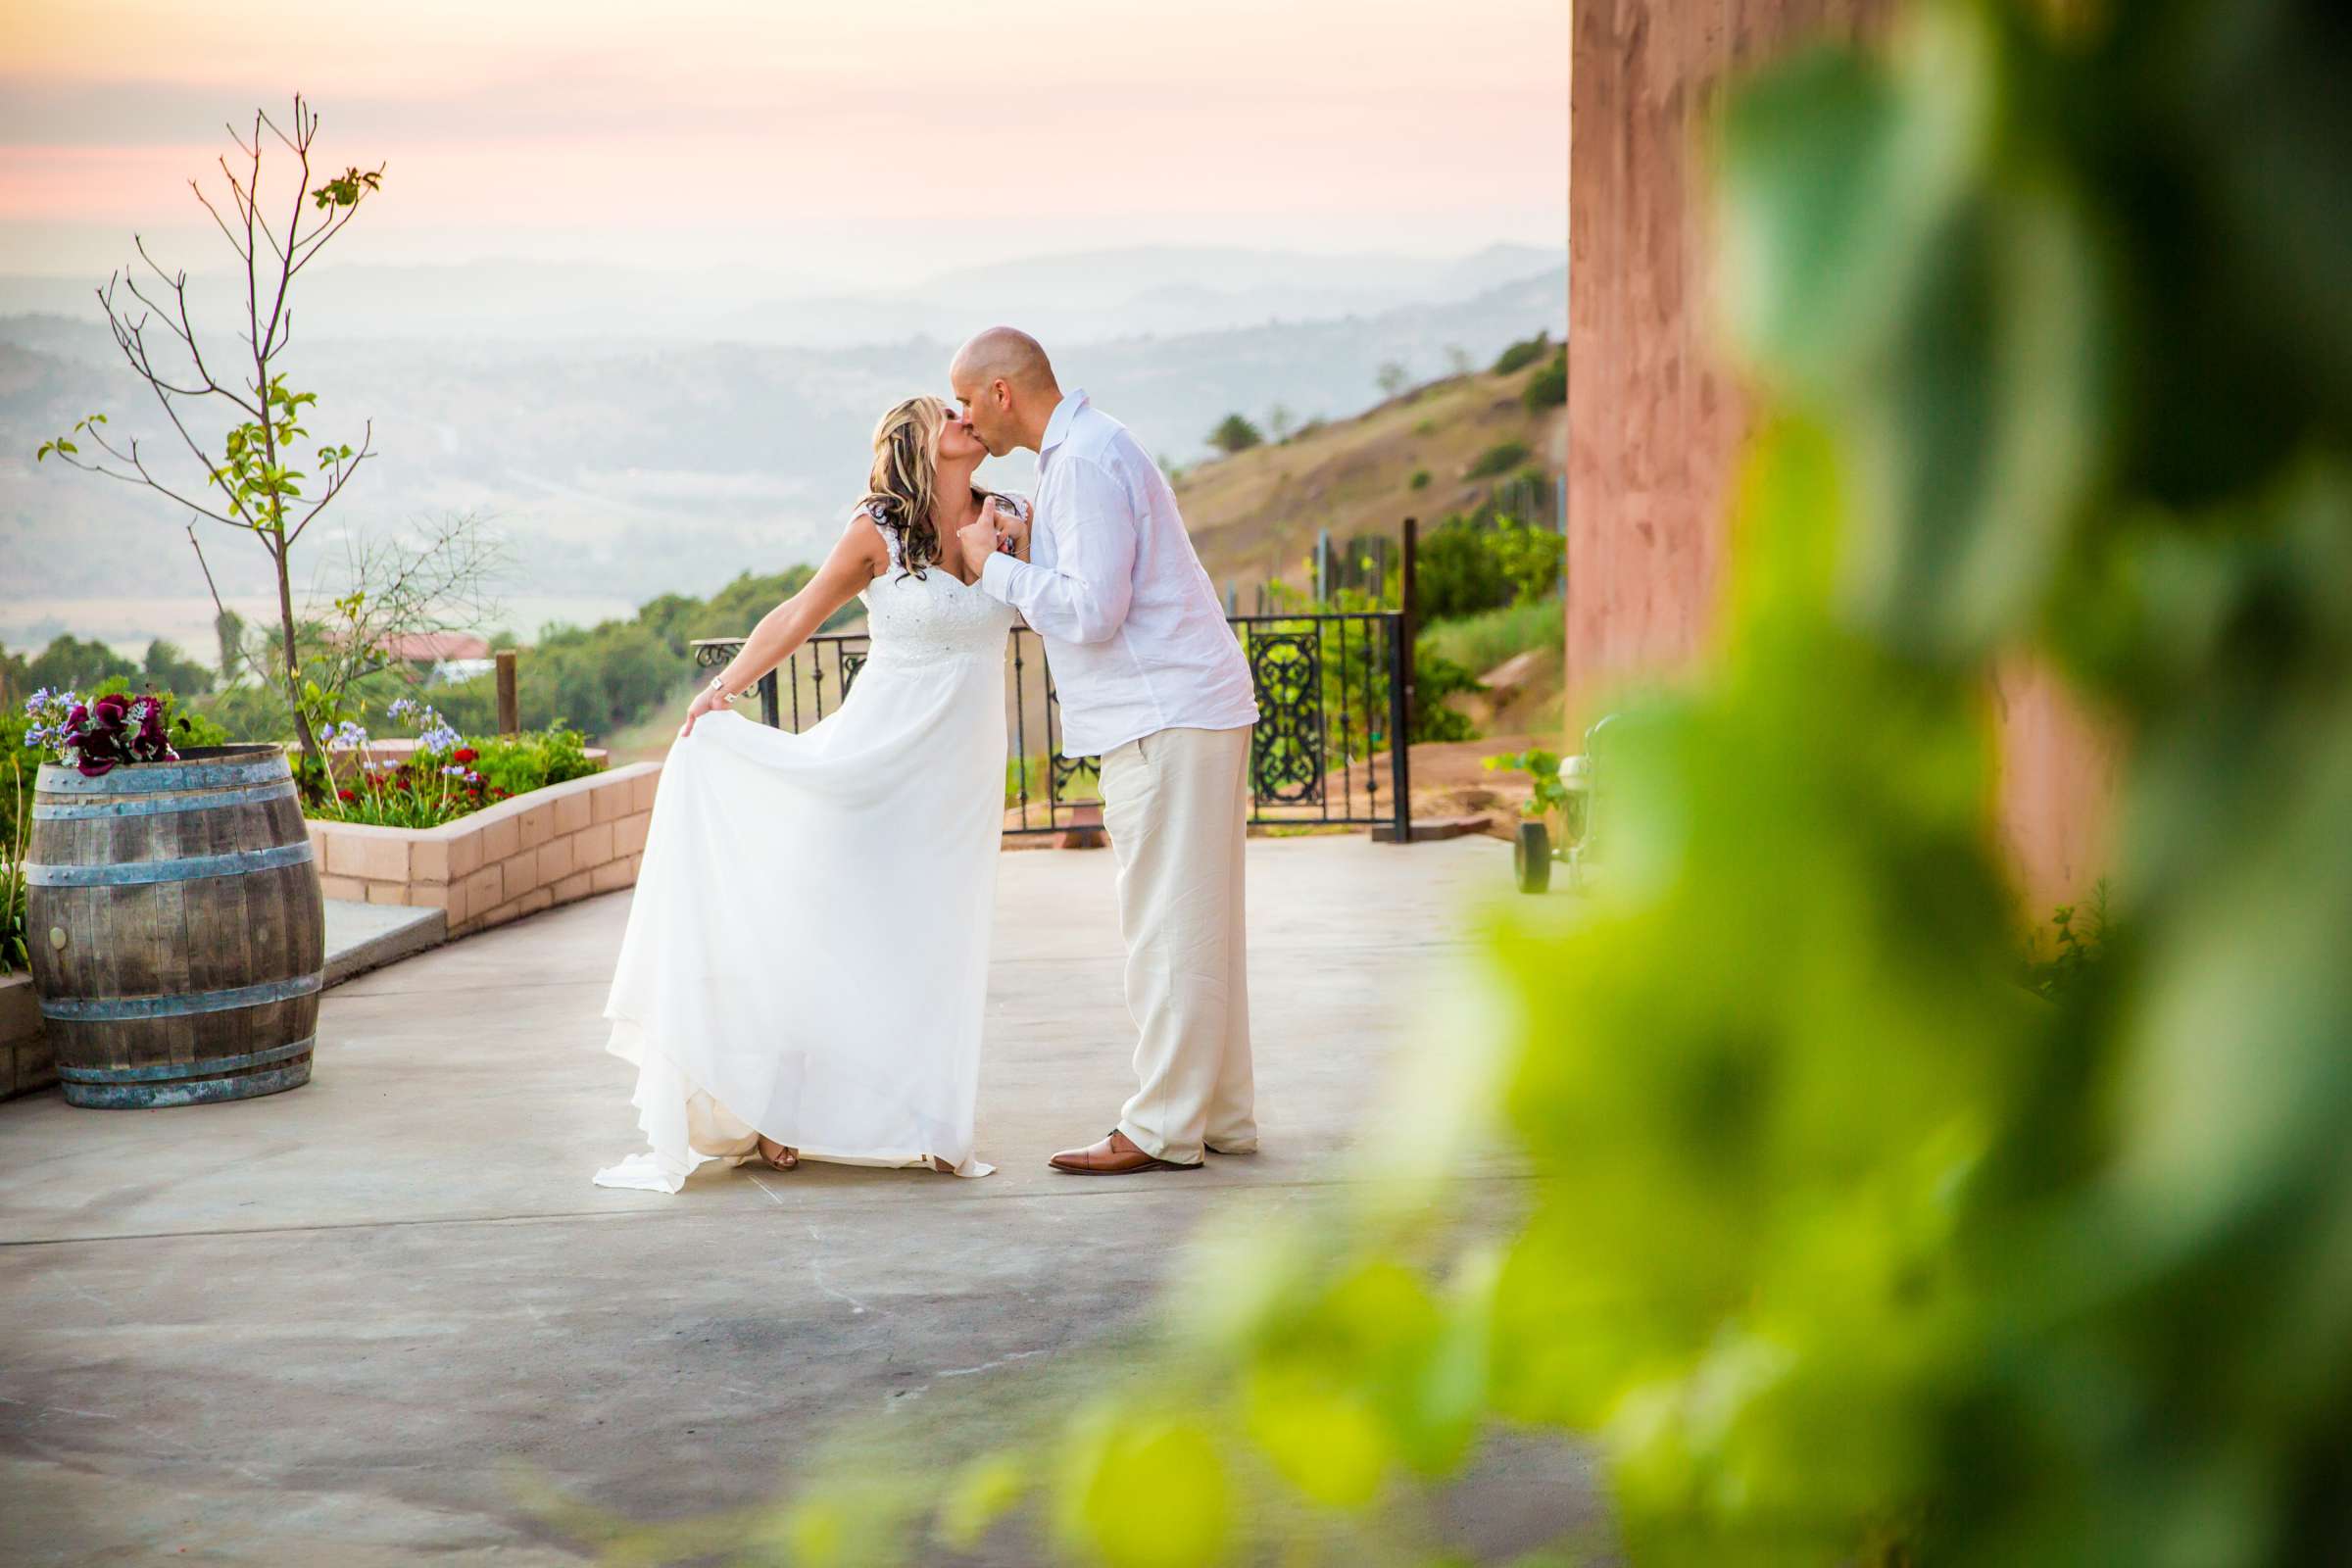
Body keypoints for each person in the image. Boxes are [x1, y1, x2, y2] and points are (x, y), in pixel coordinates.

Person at [592, 395, 1029, 1192]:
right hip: (870, 762)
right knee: (827, 926)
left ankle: (932, 1115)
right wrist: (721, 688)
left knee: (938, 933)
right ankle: (773, 1107)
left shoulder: (1009, 517)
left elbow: (1060, 603)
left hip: (956, 775)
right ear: (918, 443)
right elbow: (799, 610)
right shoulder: (880, 532)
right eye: (949, 413)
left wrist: (1002, 556)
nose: (968, 416)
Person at [949, 326, 1262, 1174]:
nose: (964, 417)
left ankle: (1161, 1127)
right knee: (1202, 926)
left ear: (1003, 394)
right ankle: (1219, 1113)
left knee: (1167, 929)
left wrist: (989, 567)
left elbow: (1093, 611)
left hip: (1163, 714)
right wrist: (1021, 550)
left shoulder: (1082, 462)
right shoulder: (1083, 451)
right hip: (1186, 706)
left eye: (968, 398)